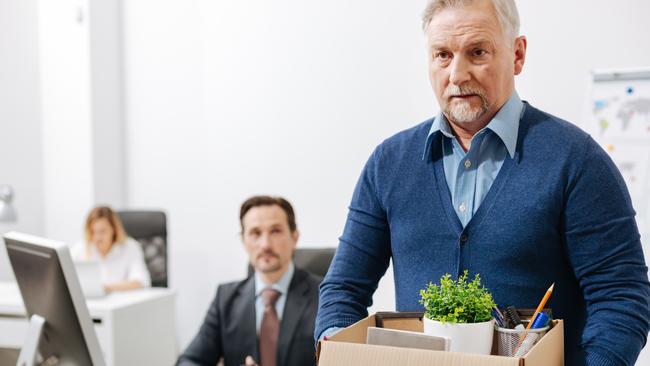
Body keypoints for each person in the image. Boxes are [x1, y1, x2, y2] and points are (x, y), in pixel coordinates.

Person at [315, 1, 650, 365]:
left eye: (477, 52)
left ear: (517, 55)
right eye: (442, 55)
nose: (457, 75)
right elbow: (343, 289)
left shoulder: (577, 160)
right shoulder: (388, 163)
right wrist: (338, 347)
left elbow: (621, 295)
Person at [177, 196, 321, 366]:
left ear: (294, 237)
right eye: (255, 233)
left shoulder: (324, 295)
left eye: (275, 231)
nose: (265, 244)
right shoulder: (225, 299)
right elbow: (189, 361)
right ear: (243, 240)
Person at [71, 206, 151, 292]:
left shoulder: (130, 247)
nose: (97, 237)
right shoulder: (80, 248)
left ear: (114, 229)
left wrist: (106, 289)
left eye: (102, 231)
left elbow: (141, 282)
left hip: (121, 302)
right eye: (93, 232)